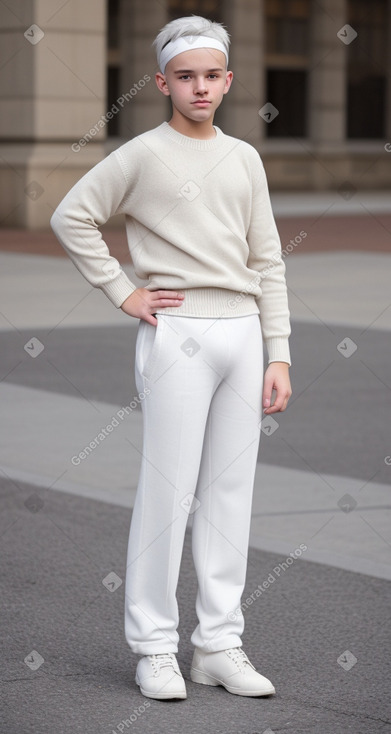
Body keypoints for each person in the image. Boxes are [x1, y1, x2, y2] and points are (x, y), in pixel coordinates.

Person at [50, 14, 292, 701]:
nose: (199, 87)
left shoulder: (243, 157)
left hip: (243, 333)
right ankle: (153, 648)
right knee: (168, 494)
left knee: (227, 497)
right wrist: (123, 292)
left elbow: (266, 259)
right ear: (162, 83)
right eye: (184, 76)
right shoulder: (141, 154)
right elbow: (71, 215)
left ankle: (218, 644)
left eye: (210, 75)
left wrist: (279, 352)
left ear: (227, 80)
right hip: (177, 335)